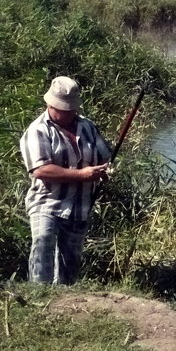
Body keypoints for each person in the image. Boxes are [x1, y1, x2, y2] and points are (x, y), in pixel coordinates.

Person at [19, 76, 111, 284]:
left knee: (70, 263)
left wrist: (104, 171)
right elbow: (41, 170)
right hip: (47, 203)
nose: (70, 113)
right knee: (43, 246)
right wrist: (81, 175)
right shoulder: (38, 130)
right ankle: (38, 296)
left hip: (80, 206)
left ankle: (65, 303)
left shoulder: (87, 126)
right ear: (50, 104)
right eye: (64, 108)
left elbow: (105, 156)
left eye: (72, 109)